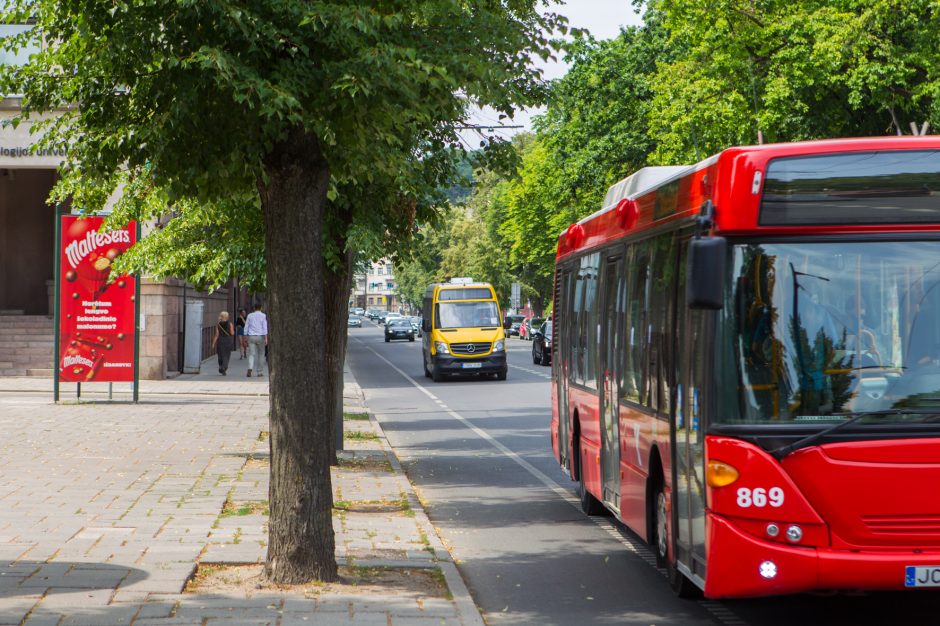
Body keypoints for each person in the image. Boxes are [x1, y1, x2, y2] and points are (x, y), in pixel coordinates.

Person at [244, 303, 268, 377]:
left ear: (254, 308)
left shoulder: (249, 315)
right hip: (260, 336)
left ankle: (250, 368)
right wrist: (266, 338)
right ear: (261, 308)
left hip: (251, 336)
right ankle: (259, 372)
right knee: (261, 354)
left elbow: (246, 326)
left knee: (251, 354)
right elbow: (264, 327)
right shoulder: (263, 316)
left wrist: (245, 336)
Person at [211, 311, 235, 376]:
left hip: (220, 341)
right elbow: (232, 333)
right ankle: (224, 367)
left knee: (220, 355)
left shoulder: (218, 324)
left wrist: (213, 343)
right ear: (227, 316)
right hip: (228, 341)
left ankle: (221, 366)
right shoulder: (230, 324)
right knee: (227, 355)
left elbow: (216, 335)